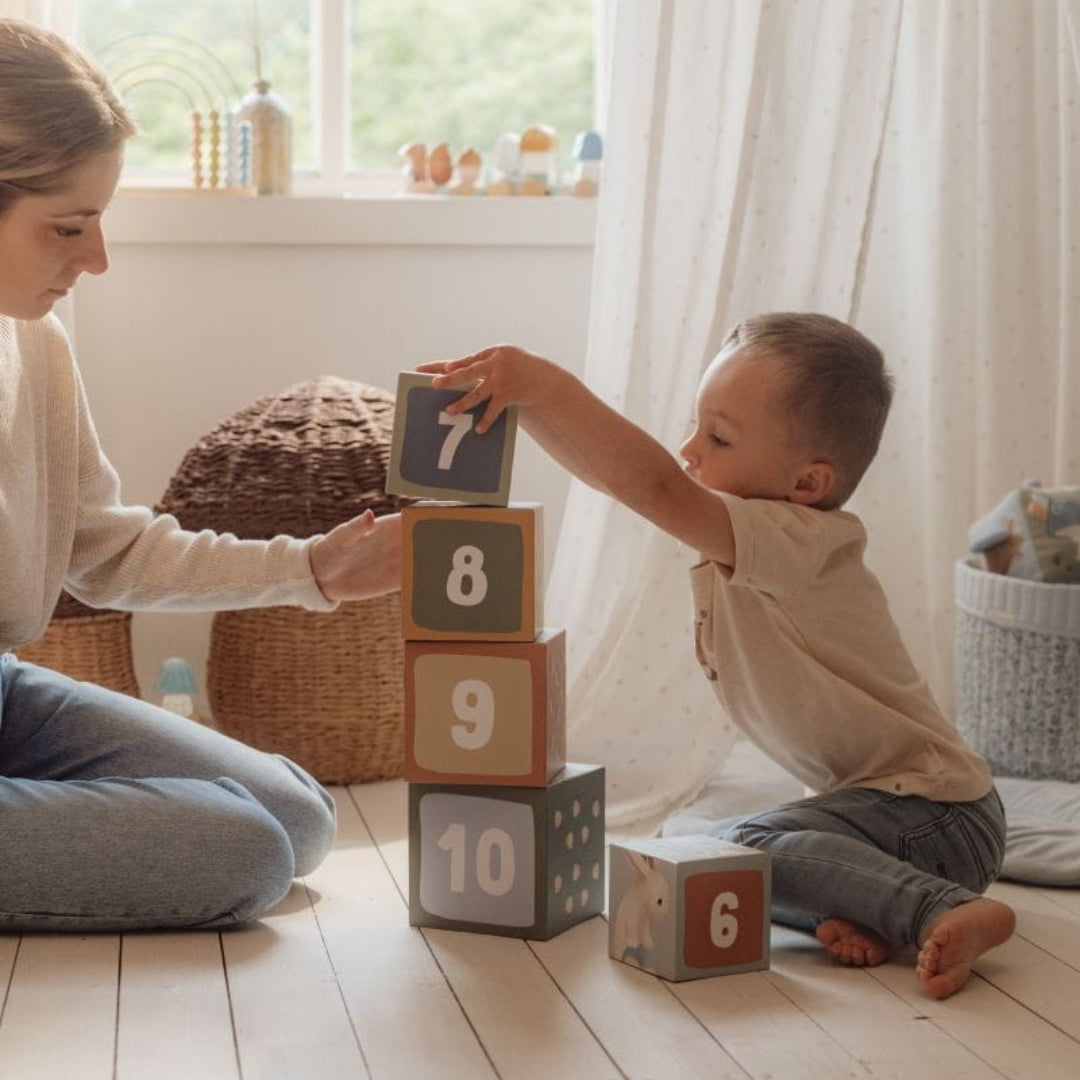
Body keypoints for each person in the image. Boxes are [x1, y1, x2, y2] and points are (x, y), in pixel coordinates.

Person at [420, 311, 1016, 1000]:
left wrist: (548, 385)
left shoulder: (795, 541)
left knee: (736, 844)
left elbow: (650, 487)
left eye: (719, 436)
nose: (689, 449)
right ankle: (867, 907)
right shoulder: (757, 534)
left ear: (807, 484)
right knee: (685, 845)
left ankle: (941, 908)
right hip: (885, 819)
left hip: (940, 816)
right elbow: (614, 480)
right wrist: (520, 404)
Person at [0, 18, 401, 932]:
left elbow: (103, 551)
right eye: (67, 227)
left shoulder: (35, 346)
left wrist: (313, 570)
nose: (95, 260)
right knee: (243, 852)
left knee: (297, 817)